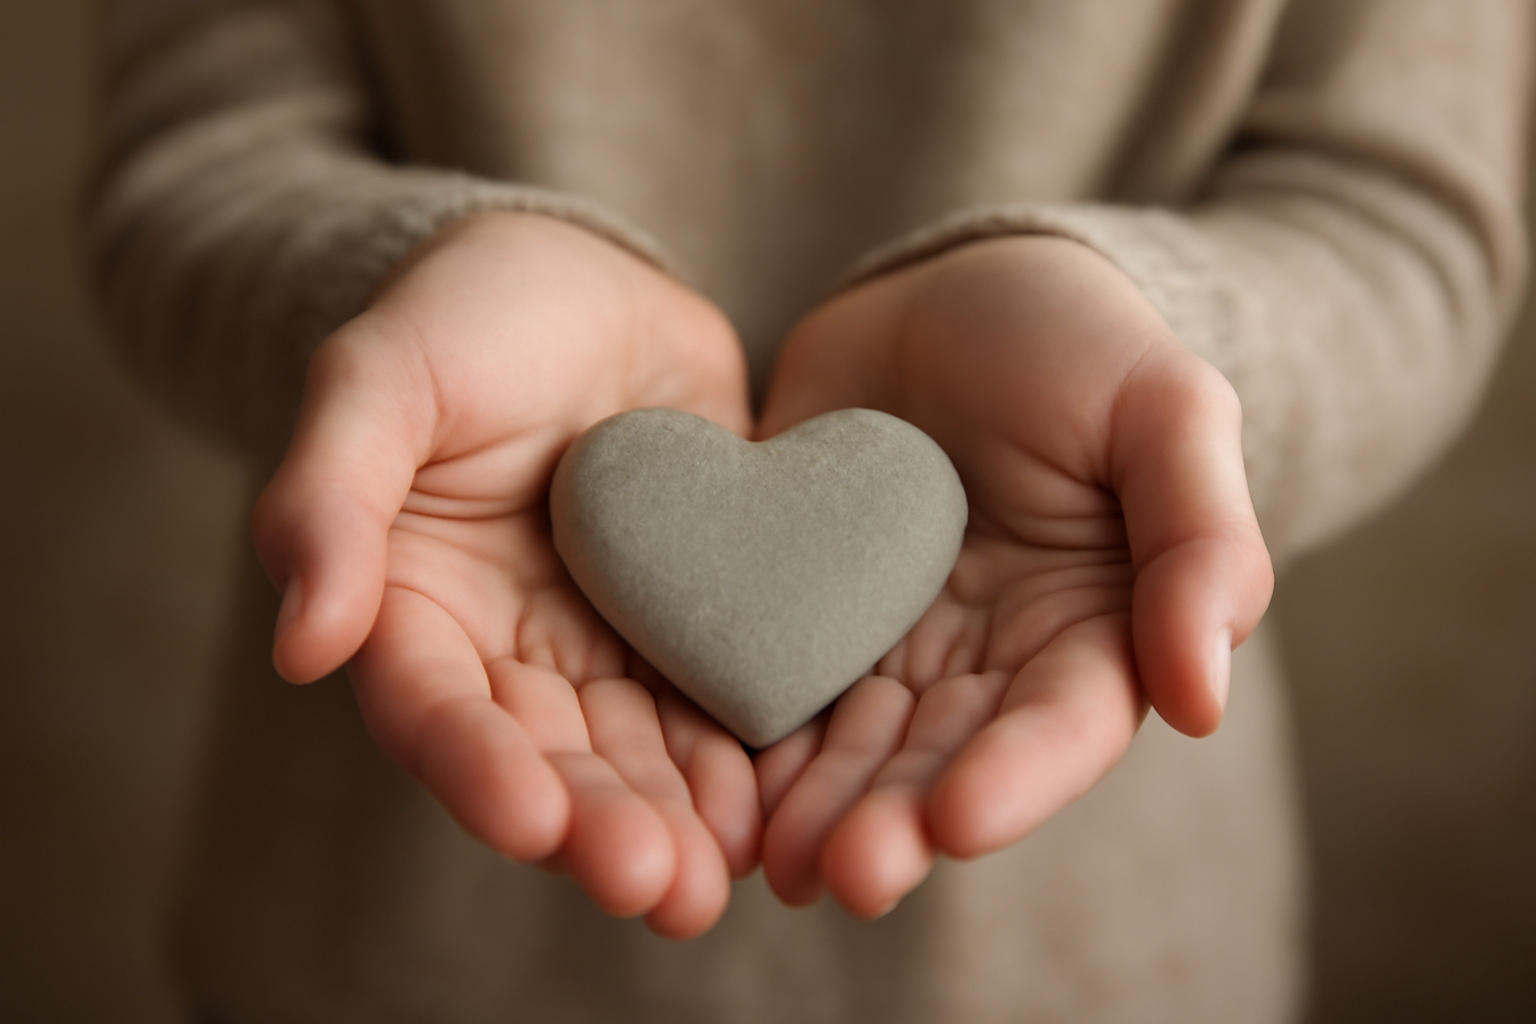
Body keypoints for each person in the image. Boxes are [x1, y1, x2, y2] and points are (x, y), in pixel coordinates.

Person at [88, 0, 1531, 1020]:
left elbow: (1403, 211)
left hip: (1089, 955)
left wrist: (1164, 353)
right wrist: (396, 290)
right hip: (381, 931)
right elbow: (192, 161)